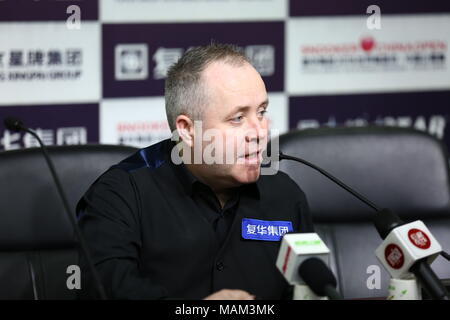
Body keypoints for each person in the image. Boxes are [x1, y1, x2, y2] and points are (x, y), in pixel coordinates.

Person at [77, 43, 310, 300]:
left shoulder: (286, 195)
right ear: (187, 130)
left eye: (262, 112)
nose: (259, 132)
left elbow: (310, 286)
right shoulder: (119, 194)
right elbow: (106, 292)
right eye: (238, 118)